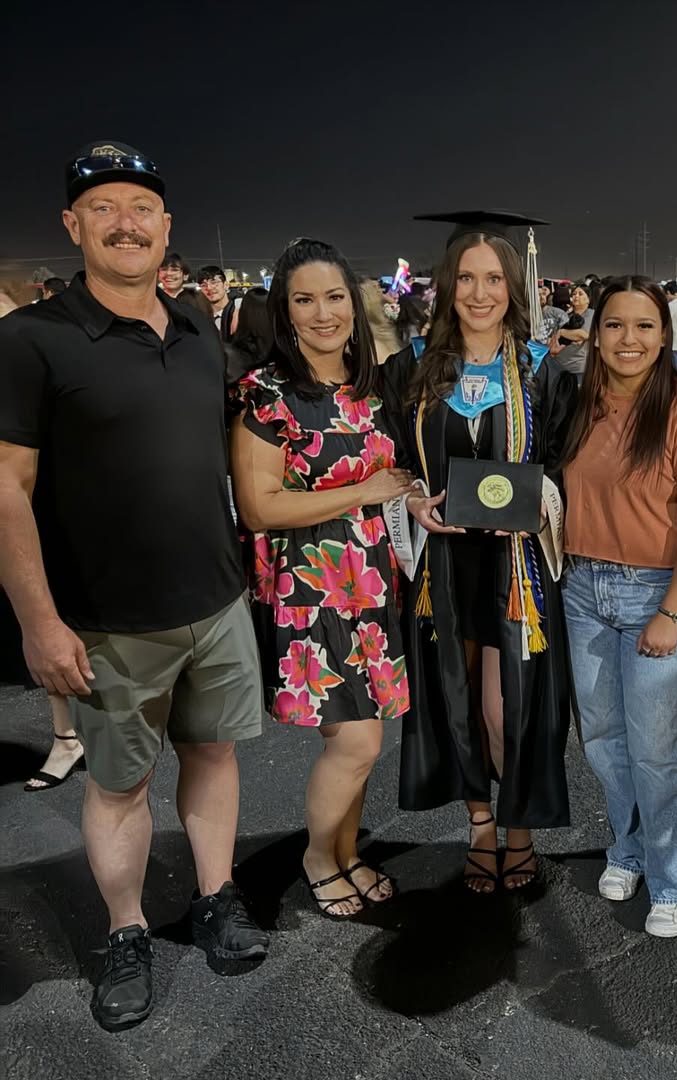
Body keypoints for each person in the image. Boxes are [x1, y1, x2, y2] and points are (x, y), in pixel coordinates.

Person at [0, 141, 268, 1032]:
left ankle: (217, 895)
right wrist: (39, 622)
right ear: (72, 225)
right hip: (109, 621)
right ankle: (125, 931)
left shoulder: (194, 328)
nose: (126, 223)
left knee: (215, 755)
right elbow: (6, 489)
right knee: (119, 786)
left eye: (141, 207)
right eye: (103, 207)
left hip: (216, 602)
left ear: (166, 225)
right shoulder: (30, 340)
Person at [380, 210, 577, 893]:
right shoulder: (411, 369)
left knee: (506, 707)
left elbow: (563, 462)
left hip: (514, 567)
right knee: (454, 700)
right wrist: (411, 499)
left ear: (512, 287)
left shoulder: (541, 371)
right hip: (442, 566)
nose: (480, 292)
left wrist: (538, 501)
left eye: (494, 279)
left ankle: (521, 827)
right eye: (466, 278)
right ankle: (482, 825)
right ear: (446, 285)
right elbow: (390, 459)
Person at [231, 238, 413, 918]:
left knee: (363, 734)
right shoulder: (267, 394)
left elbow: (396, 480)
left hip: (375, 580)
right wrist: (362, 492)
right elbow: (259, 506)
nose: (323, 313)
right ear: (285, 312)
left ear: (354, 305)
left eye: (334, 297)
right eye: (304, 300)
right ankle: (317, 856)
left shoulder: (374, 389)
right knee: (356, 739)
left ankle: (346, 852)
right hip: (310, 587)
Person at [562, 277, 677, 938]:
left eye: (644, 326)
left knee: (658, 751)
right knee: (603, 743)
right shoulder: (582, 402)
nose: (629, 339)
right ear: (597, 333)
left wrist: (672, 611)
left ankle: (674, 876)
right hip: (582, 590)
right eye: (615, 325)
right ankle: (626, 850)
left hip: (655, 592)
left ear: (665, 335)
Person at [549, 282, 593, 383]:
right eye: (574, 294)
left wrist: (562, 332)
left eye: (580, 294)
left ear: (588, 300)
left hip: (578, 368)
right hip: (560, 366)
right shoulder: (566, 316)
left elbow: (583, 335)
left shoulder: (591, 315)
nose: (576, 296)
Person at [198, 264, 240, 341]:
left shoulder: (239, 315)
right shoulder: (200, 319)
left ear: (226, 285)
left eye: (214, 282)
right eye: (203, 285)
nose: (209, 288)